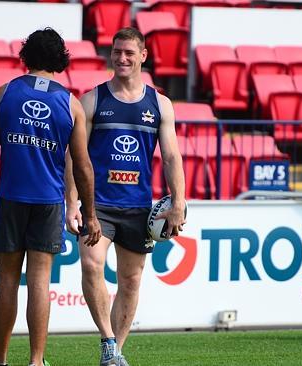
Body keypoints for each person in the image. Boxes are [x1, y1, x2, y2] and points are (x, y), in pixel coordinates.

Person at [0, 28, 101, 366]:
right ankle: (36, 361)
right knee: (40, 284)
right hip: (48, 202)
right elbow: (83, 167)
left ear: (26, 55)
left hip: (11, 197)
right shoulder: (70, 104)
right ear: (60, 59)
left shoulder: (5, 93)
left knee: (7, 283)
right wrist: (89, 215)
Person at [65, 27, 186, 366]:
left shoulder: (160, 104)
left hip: (138, 208)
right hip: (97, 206)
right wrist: (71, 202)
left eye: (129, 53)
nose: (122, 58)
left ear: (143, 56)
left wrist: (179, 202)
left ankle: (115, 352)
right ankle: (106, 340)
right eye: (117, 51)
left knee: (131, 282)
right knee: (91, 267)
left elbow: (173, 156)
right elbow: (75, 156)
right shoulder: (93, 99)